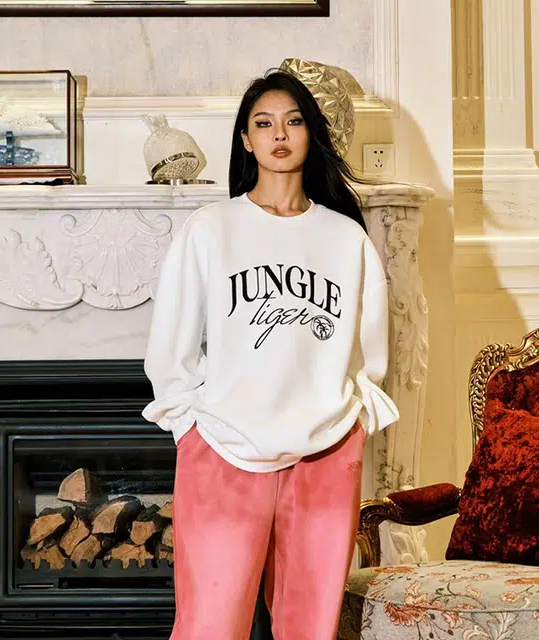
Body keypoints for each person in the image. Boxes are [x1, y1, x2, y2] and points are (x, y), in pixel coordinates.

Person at [142, 69, 400, 640]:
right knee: (210, 626)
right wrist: (189, 427)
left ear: (311, 134)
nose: (279, 134)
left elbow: (371, 352)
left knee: (310, 628)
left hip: (324, 452)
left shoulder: (345, 238)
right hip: (223, 450)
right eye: (263, 123)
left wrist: (353, 422)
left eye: (293, 121)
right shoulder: (211, 230)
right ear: (245, 139)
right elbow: (170, 347)